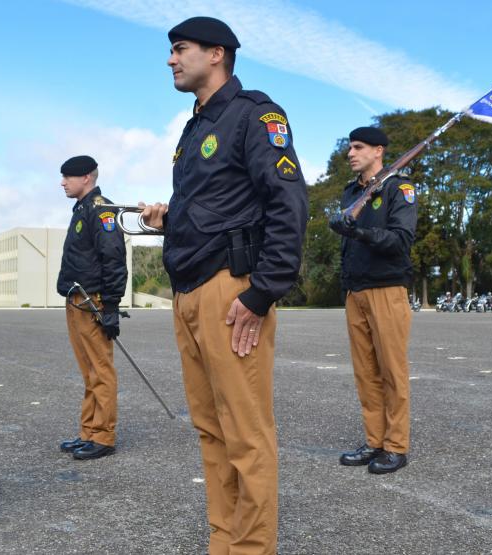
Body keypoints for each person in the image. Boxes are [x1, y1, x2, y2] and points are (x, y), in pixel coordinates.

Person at [140, 16, 308, 554]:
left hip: (229, 291)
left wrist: (263, 292)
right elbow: (218, 204)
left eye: (179, 49)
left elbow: (288, 203)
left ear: (216, 54)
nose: (170, 59)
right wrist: (171, 217)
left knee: (246, 434)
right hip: (188, 291)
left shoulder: (254, 115)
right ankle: (224, 541)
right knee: (211, 431)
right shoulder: (194, 128)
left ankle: (252, 547)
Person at [328, 127, 417, 474]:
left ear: (378, 150)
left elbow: (400, 239)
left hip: (387, 289)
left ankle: (396, 446)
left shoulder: (399, 188)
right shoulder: (352, 192)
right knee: (365, 373)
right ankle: (374, 439)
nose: (350, 153)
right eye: (349, 147)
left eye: (358, 147)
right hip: (356, 290)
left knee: (391, 371)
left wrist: (358, 232)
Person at [55, 155, 127, 460]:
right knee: (88, 372)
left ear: (87, 177)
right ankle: (89, 431)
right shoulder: (81, 210)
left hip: (94, 301)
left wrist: (110, 305)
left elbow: (113, 256)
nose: (63, 182)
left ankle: (103, 436)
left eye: (68, 177)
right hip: (76, 300)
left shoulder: (102, 210)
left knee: (101, 371)